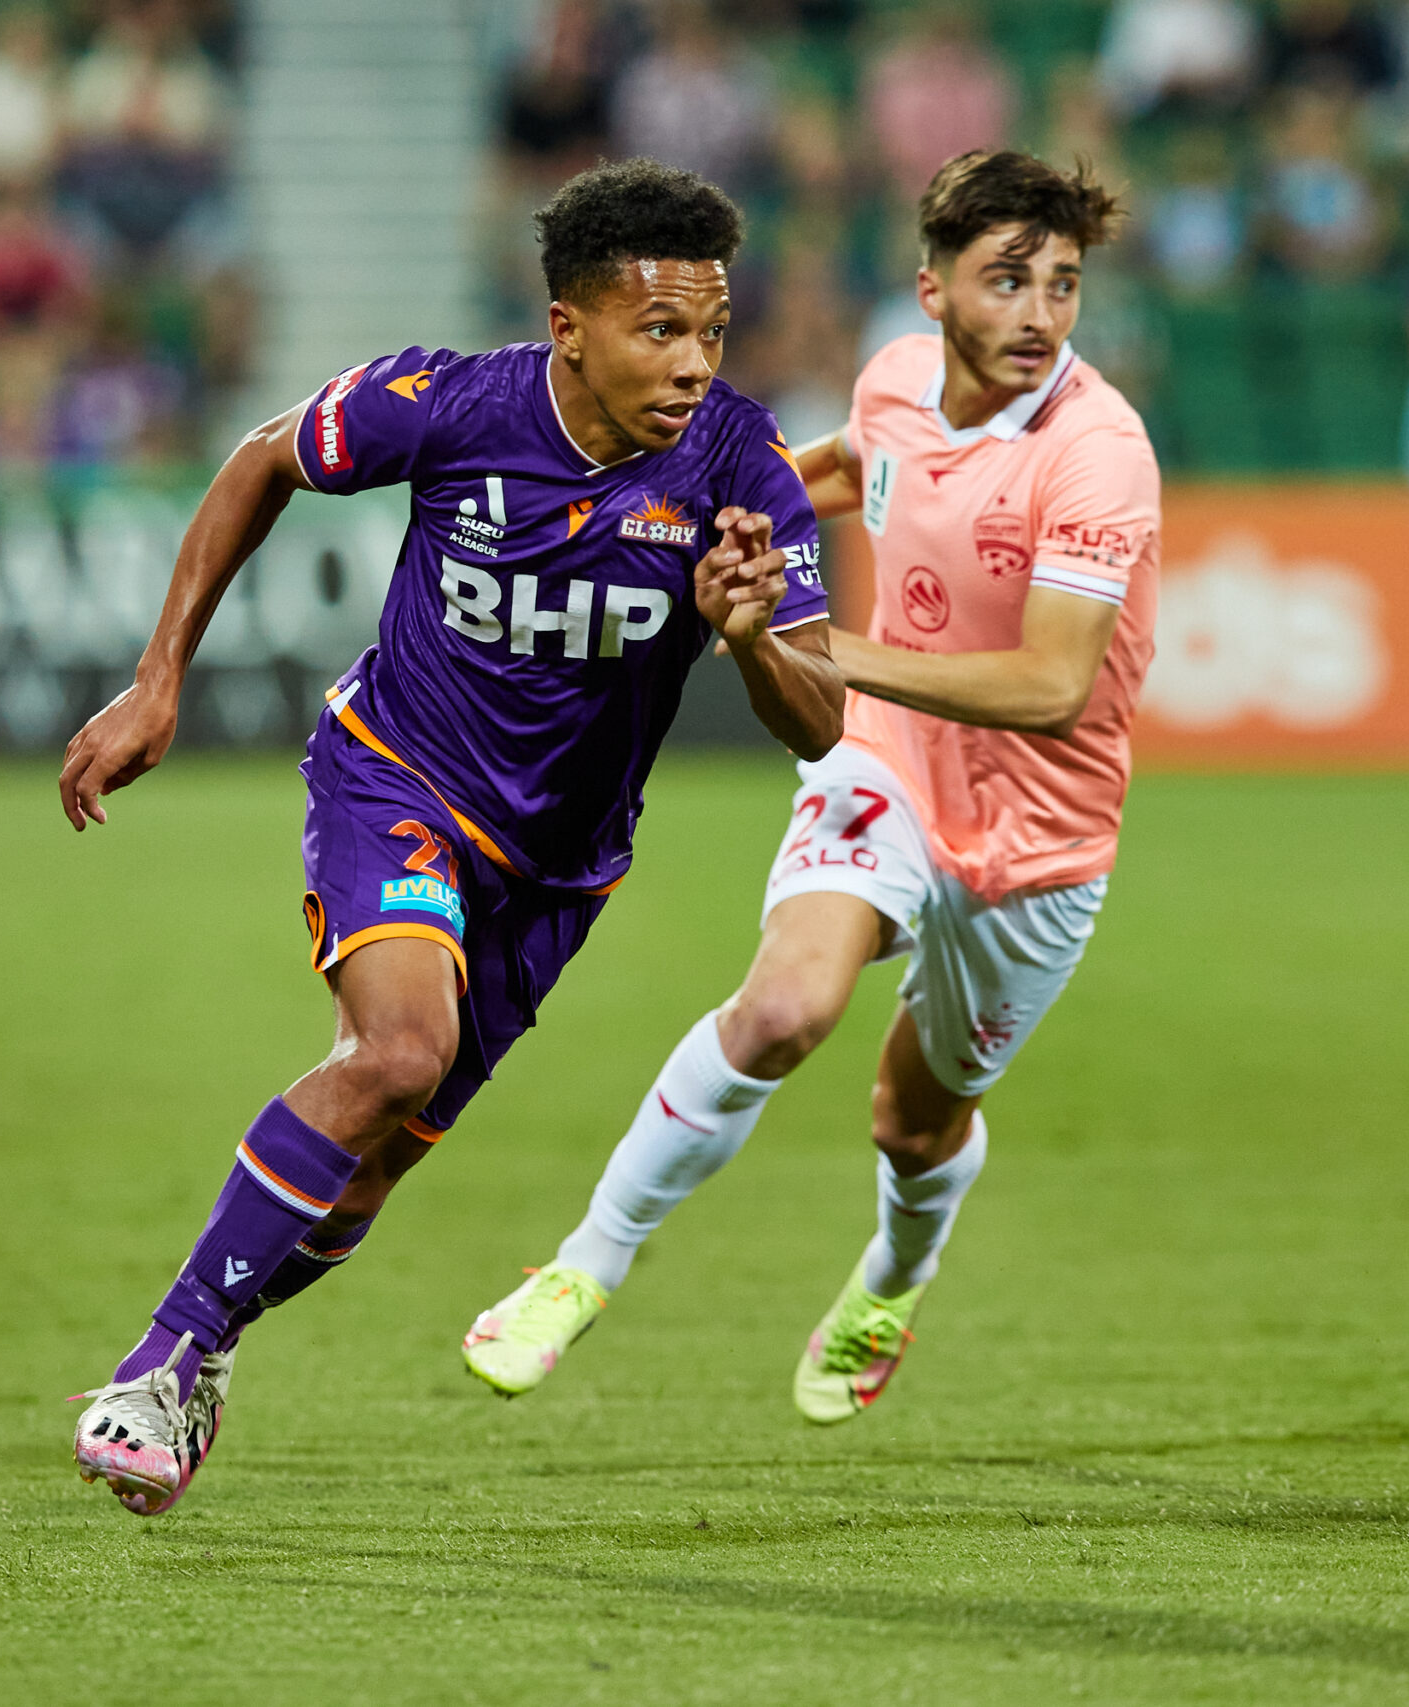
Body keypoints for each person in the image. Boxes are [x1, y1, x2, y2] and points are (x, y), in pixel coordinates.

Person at [58, 158, 842, 1515]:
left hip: (560, 870)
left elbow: (822, 719)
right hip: (399, 780)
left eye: (714, 329)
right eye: (661, 329)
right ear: (569, 327)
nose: (695, 361)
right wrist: (160, 673)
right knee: (397, 1048)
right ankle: (158, 1355)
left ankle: (214, 1343)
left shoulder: (742, 464)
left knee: (369, 1171)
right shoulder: (451, 402)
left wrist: (750, 635)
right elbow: (264, 457)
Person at [457, 150, 1160, 1425]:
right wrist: (701, 514)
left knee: (912, 1119)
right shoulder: (894, 379)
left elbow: (1055, 687)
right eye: (1008, 280)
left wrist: (822, 642)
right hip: (884, 762)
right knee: (782, 1009)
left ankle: (893, 1276)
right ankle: (582, 1266)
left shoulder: (1097, 453)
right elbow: (827, 475)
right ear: (932, 289)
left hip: (1041, 839)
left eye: (1063, 286)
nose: (1040, 314)